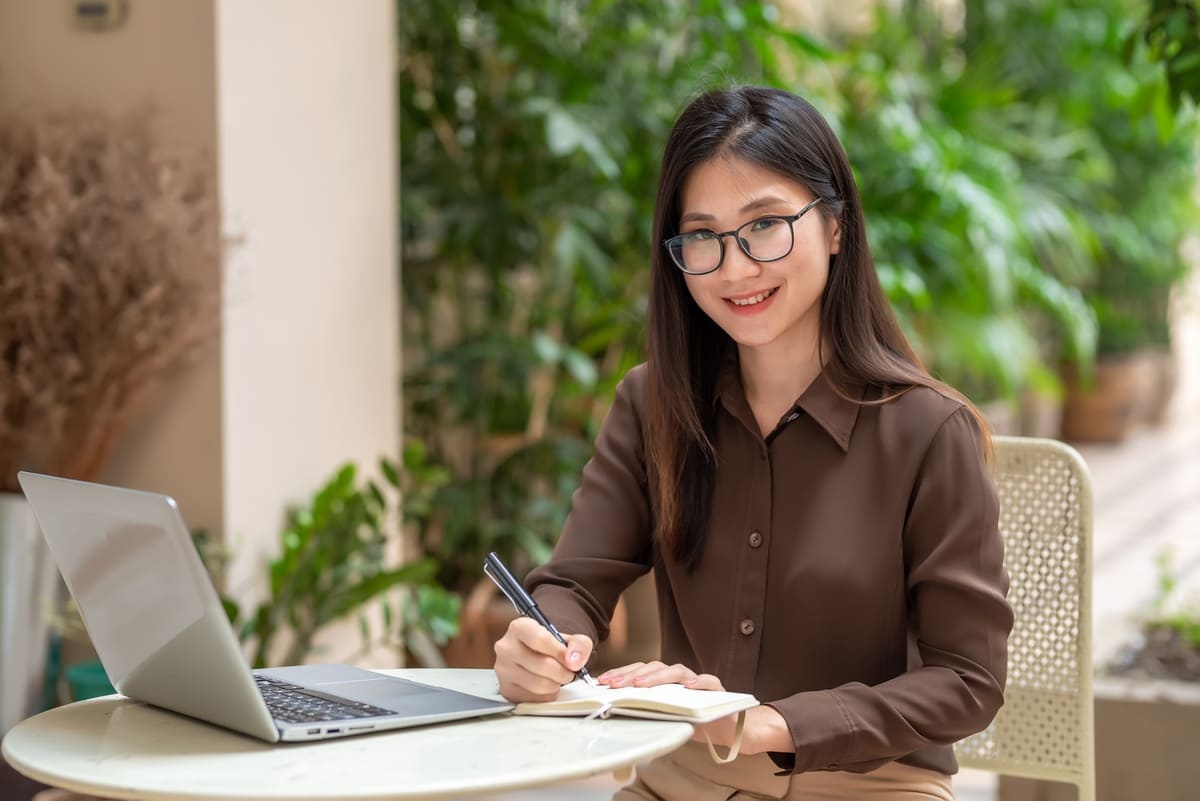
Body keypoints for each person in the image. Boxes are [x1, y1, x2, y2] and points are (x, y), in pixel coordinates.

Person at [491, 85, 1013, 800]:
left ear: (836, 225)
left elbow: (968, 681)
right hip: (683, 777)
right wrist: (548, 642)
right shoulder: (654, 404)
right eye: (701, 235)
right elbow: (575, 583)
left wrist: (774, 723)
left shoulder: (930, 431)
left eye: (765, 224)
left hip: (868, 787)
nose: (734, 268)